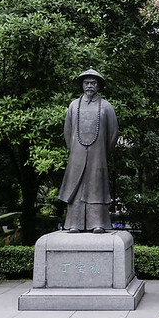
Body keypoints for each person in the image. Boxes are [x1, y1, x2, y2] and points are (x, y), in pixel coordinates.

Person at [57, 69, 119, 233]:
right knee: (76, 188)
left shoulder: (106, 107)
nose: (89, 86)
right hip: (77, 154)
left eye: (93, 83)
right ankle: (74, 223)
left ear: (98, 86)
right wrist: (75, 150)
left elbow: (113, 133)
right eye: (86, 83)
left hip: (98, 155)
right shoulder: (73, 106)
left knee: (96, 187)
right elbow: (67, 131)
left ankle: (97, 223)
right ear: (82, 85)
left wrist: (102, 152)